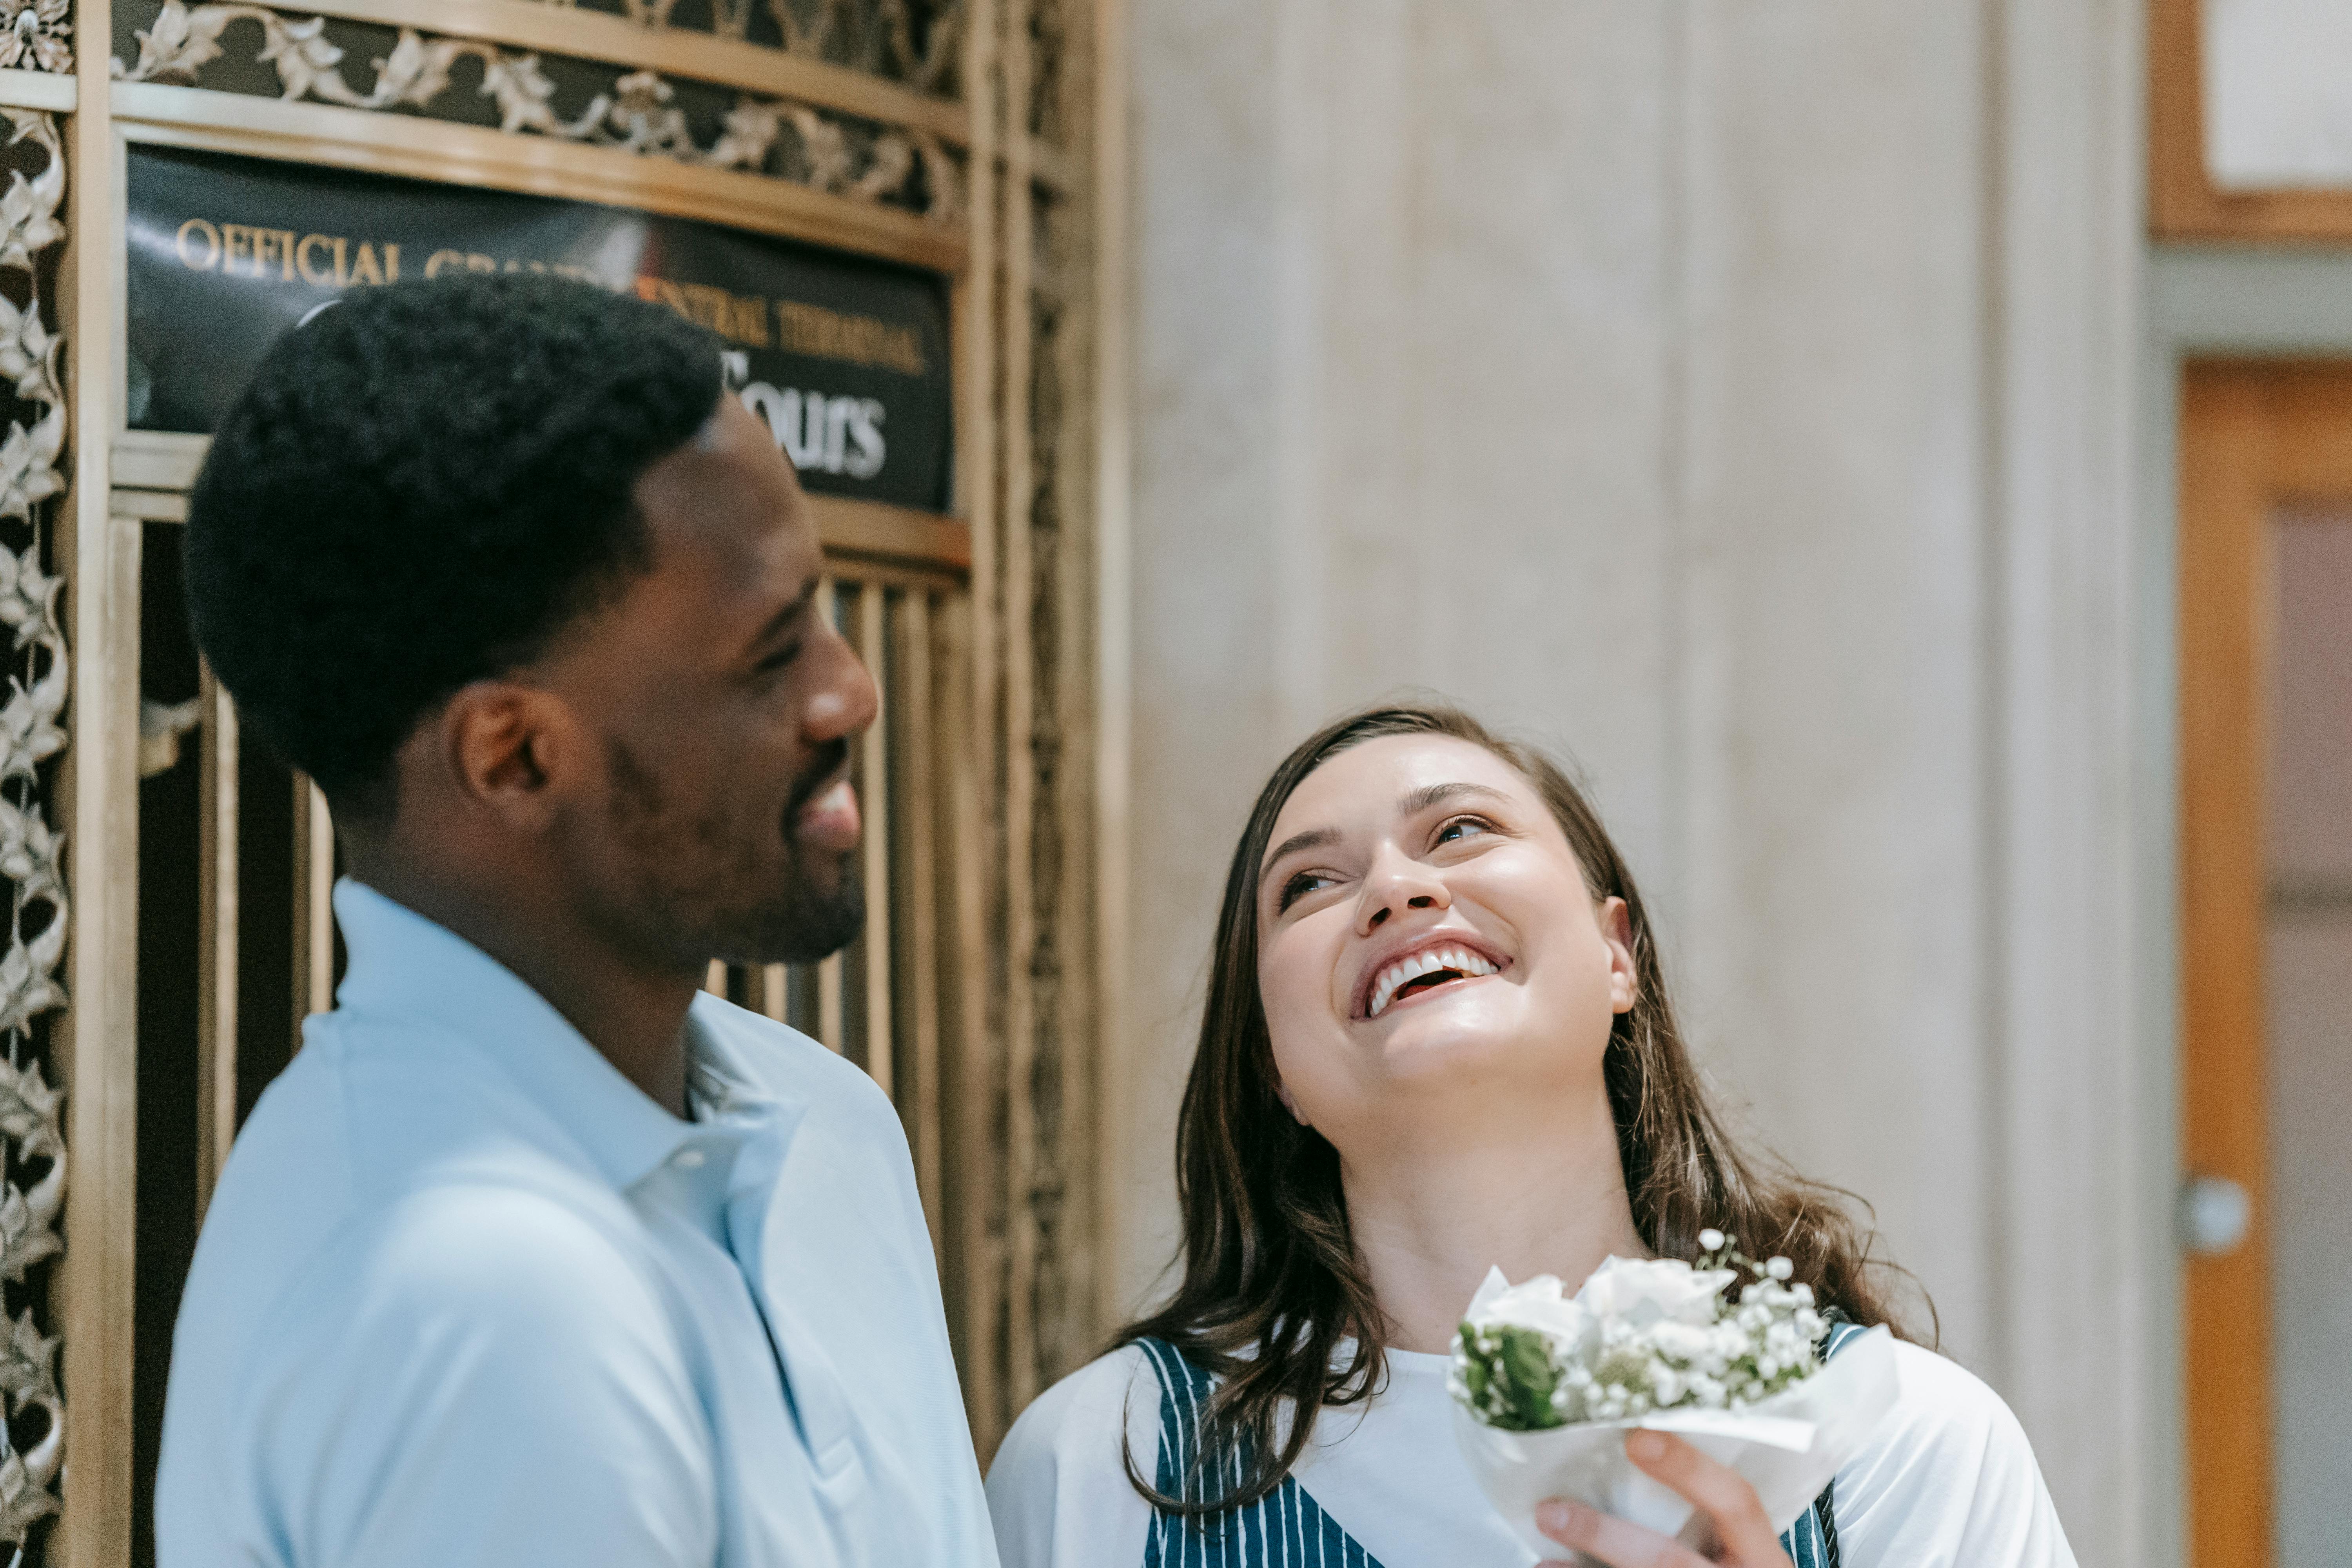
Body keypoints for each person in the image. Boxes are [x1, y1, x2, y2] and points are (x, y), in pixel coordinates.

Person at [156, 275, 996, 1568]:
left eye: (822, 615)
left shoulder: (821, 1120)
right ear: (515, 759)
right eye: (773, 655)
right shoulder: (487, 1294)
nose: (852, 692)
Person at [985, 705, 2076, 1568]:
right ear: (1274, 1068)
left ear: (1618, 956)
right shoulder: (1101, 1467)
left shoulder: (1900, 1444)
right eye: (1310, 884)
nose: (1398, 889)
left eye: (1459, 831)